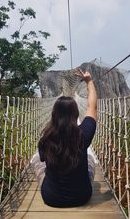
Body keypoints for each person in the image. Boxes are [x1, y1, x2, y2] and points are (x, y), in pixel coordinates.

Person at [31, 69, 98, 208]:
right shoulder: (83, 134)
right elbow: (93, 107)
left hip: (51, 198)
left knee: (37, 159)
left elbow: (43, 160)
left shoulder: (46, 139)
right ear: (76, 113)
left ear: (54, 114)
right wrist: (89, 81)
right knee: (91, 159)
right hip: (81, 197)